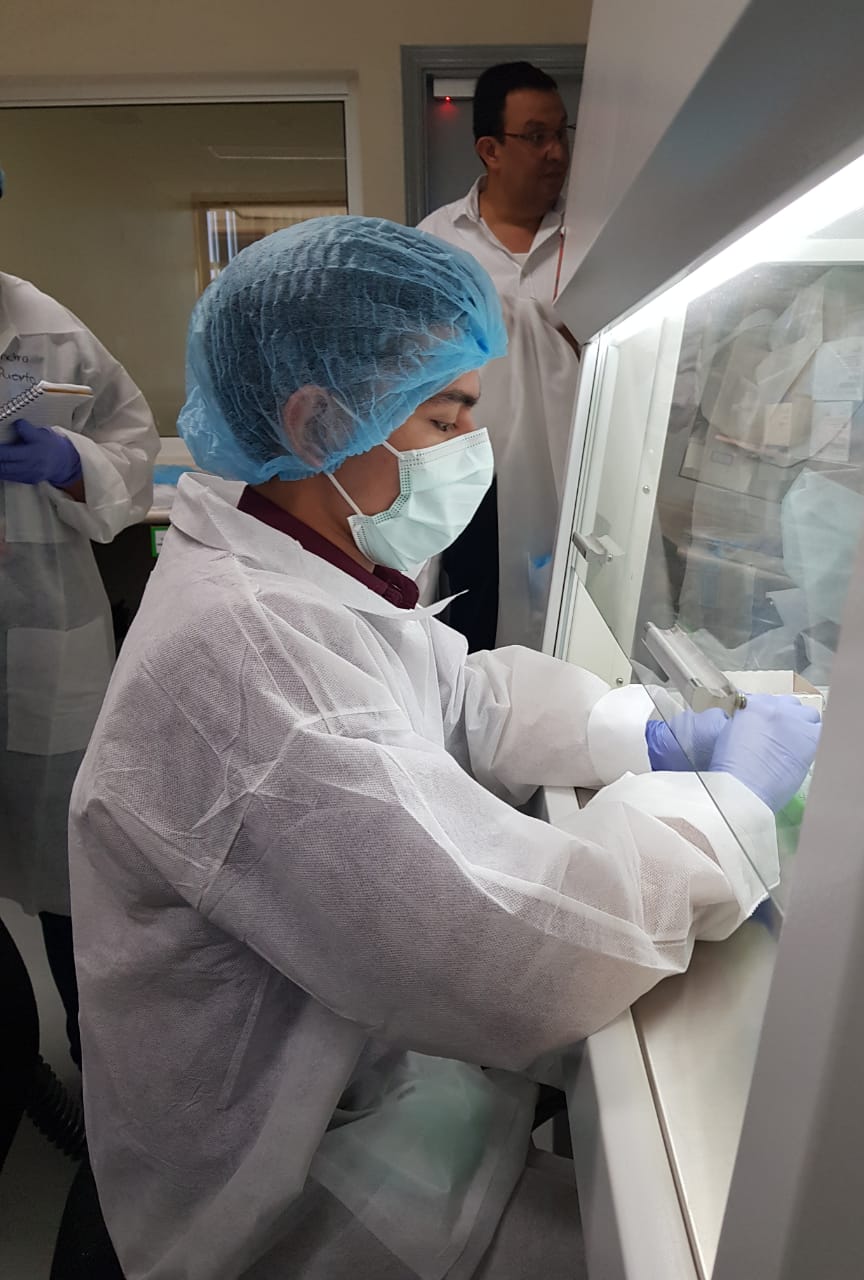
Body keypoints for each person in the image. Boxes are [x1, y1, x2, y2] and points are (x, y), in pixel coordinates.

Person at [68, 216, 820, 1280]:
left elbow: (451, 694)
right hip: (287, 1202)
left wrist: (637, 731)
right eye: (446, 414)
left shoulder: (292, 559)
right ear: (318, 420)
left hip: (366, 1090)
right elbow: (519, 963)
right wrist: (724, 812)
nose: (478, 444)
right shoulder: (245, 659)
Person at [0, 167, 159, 1068]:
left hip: (44, 633)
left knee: (71, 875)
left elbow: (132, 449)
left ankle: (92, 1064)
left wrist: (70, 463)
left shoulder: (49, 332)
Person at [419, 62, 580, 651]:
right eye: (535, 136)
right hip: (473, 479)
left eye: (560, 133)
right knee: (476, 628)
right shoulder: (437, 244)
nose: (555, 152)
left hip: (574, 472)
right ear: (490, 149)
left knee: (568, 619)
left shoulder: (589, 238)